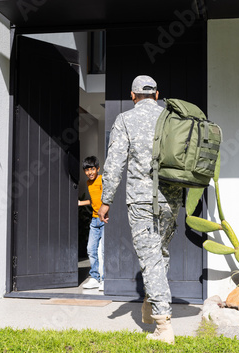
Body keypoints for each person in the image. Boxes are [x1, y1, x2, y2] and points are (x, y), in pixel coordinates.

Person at [97, 75, 182, 344]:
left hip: (142, 201)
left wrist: (105, 201)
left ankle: (163, 326)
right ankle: (150, 302)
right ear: (157, 95)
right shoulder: (172, 119)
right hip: (172, 200)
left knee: (151, 259)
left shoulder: (125, 120)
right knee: (161, 253)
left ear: (133, 96)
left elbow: (113, 165)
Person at [78, 156, 105, 291]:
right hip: (94, 220)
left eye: (92, 169)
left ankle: (105, 279)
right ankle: (95, 277)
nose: (90, 172)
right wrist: (80, 203)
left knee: (103, 251)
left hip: (104, 219)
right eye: (87, 170)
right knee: (91, 249)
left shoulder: (102, 180)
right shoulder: (89, 183)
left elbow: (106, 199)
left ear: (98, 169)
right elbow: (93, 201)